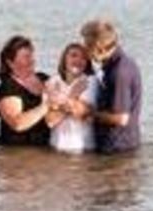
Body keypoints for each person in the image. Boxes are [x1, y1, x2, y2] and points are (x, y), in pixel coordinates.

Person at [81, 19, 142, 153]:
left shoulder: (119, 71)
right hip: (116, 145)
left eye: (86, 46)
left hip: (118, 149)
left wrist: (88, 112)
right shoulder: (114, 63)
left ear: (99, 47)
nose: (84, 50)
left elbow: (121, 118)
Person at [0, 35, 50, 146]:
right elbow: (17, 124)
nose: (31, 60)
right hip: (15, 154)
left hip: (43, 151)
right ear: (10, 62)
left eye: (31, 56)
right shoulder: (8, 87)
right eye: (26, 57)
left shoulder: (44, 78)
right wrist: (46, 106)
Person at [45, 43, 98, 153]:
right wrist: (73, 96)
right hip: (56, 147)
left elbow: (83, 113)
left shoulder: (90, 81)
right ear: (64, 59)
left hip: (83, 148)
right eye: (73, 55)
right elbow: (50, 121)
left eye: (83, 58)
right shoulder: (53, 81)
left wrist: (58, 105)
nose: (78, 60)